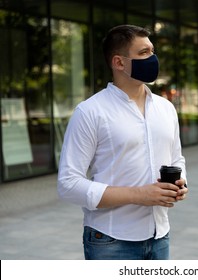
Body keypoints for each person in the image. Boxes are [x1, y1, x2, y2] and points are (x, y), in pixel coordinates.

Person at [57, 24, 188, 260]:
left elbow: (176, 157)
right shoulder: (90, 112)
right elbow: (68, 184)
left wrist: (179, 183)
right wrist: (139, 195)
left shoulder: (166, 108)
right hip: (111, 241)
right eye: (144, 53)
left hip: (160, 235)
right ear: (119, 63)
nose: (153, 58)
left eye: (152, 51)